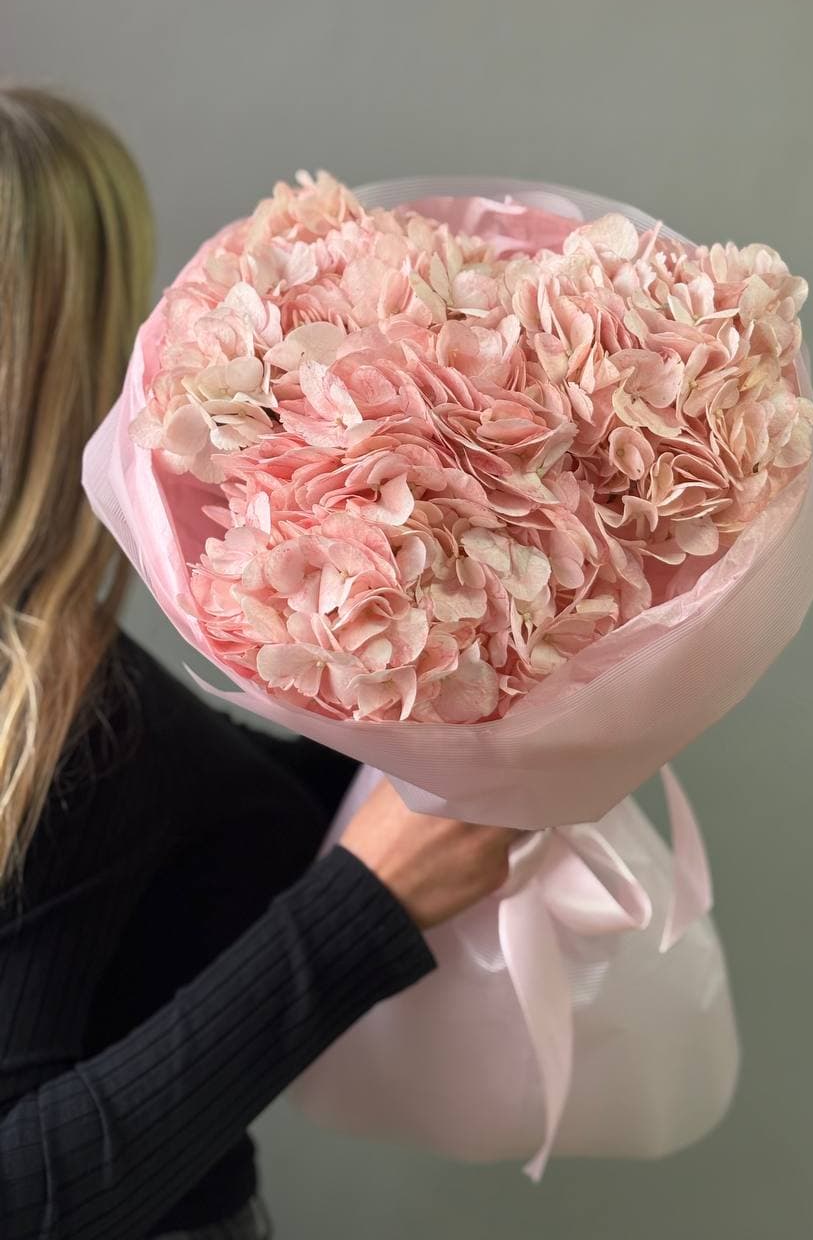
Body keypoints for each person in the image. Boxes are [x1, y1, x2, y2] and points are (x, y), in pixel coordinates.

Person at [0, 86, 518, 1240]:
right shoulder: (59, 717)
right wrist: (361, 907)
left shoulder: (88, 713)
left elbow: (149, 842)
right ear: (80, 341)